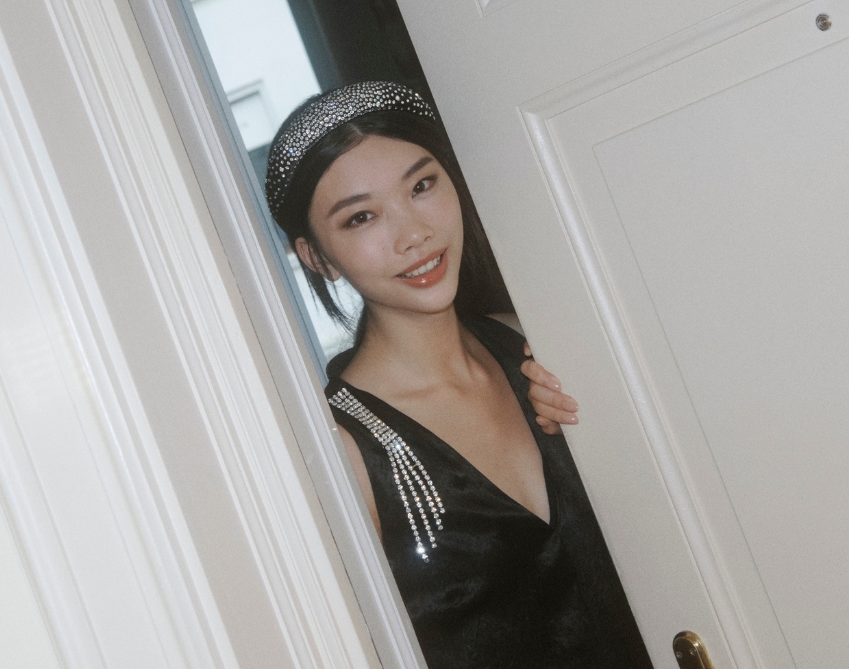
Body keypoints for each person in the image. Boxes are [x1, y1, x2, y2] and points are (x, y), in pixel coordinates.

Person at [266, 82, 652, 669]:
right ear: (317, 257)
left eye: (422, 186)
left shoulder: (542, 345)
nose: (414, 233)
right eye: (362, 217)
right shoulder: (341, 448)